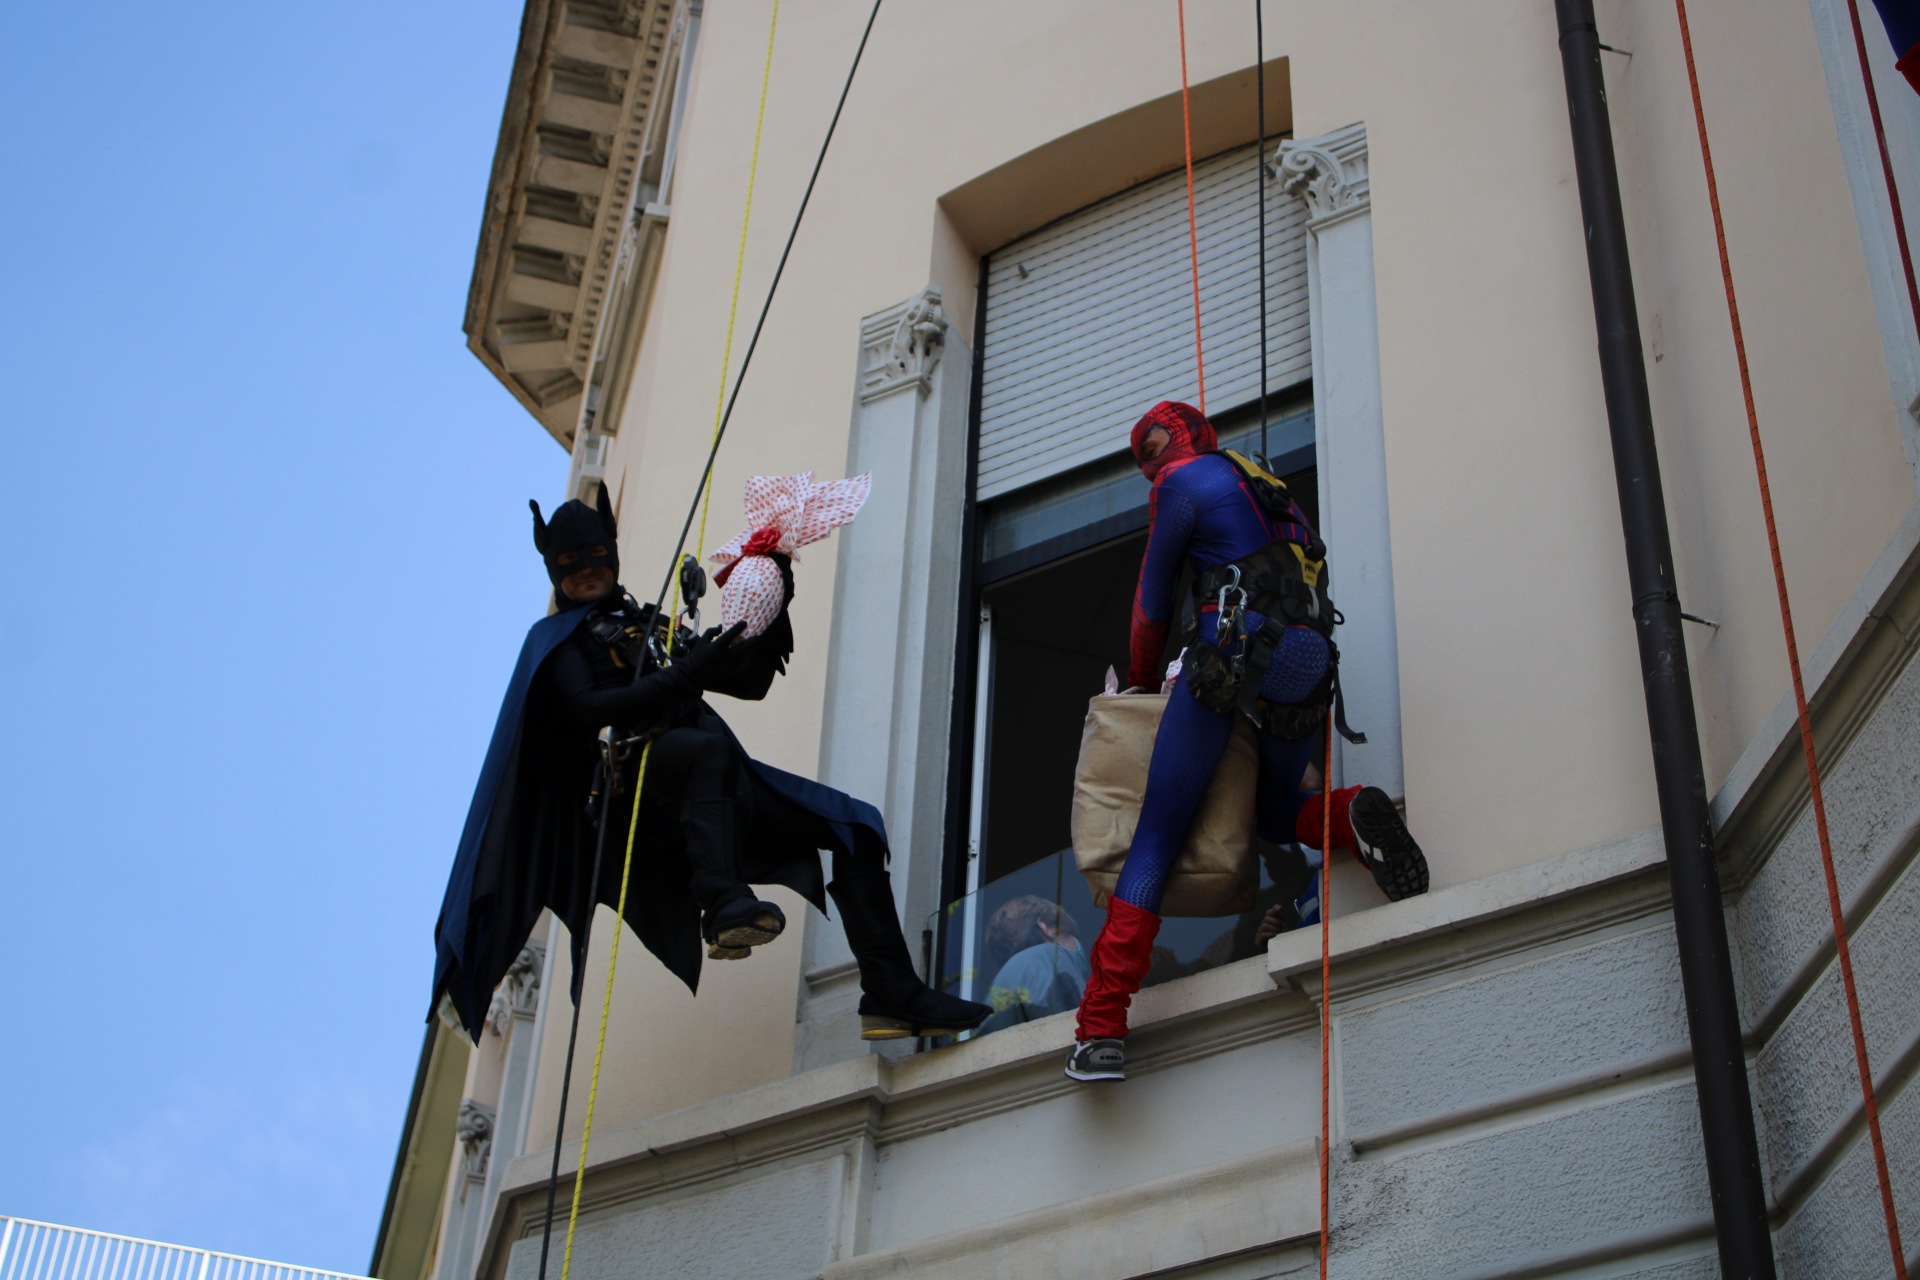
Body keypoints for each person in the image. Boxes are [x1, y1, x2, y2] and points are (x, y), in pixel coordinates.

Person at [432, 485, 991, 1044]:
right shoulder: (556, 642)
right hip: (636, 784)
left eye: (596, 554)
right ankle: (721, 903)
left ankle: (892, 993)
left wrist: (773, 592)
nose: (586, 569)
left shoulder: (649, 624)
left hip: (710, 777)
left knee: (855, 825)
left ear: (612, 552)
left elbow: (745, 681)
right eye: (569, 562)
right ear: (554, 570)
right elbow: (590, 708)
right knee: (706, 752)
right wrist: (686, 673)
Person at [1066, 402, 1429, 1084]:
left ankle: (1101, 1026)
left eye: (1147, 454)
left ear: (1158, 449)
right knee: (1274, 812)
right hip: (1307, 658)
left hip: (1231, 650)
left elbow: (1151, 606)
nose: (1149, 468)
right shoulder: (1263, 481)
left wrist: (1141, 683)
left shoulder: (1180, 484)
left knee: (1156, 836)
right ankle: (1348, 811)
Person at [977, 895, 1089, 1031]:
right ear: (1046, 927)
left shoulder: (1004, 987)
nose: (1076, 944)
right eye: (1069, 935)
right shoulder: (1046, 956)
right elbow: (1076, 1032)